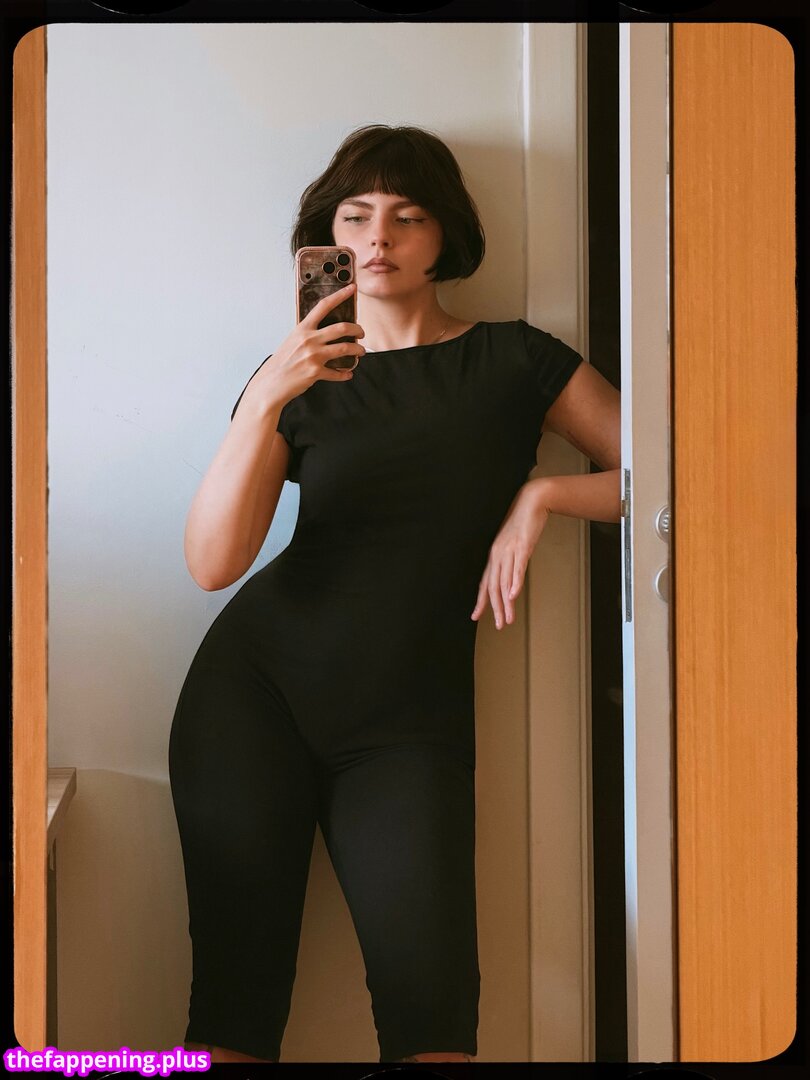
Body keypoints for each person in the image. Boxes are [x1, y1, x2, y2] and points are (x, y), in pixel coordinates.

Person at [168, 124, 621, 1065]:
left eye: (407, 216)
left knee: (434, 1021)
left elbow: (671, 474)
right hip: (252, 699)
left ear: (445, 235)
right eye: (356, 216)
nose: (379, 237)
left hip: (408, 726)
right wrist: (269, 396)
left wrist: (544, 496)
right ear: (326, 238)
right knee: (234, 1010)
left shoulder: (516, 361)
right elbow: (213, 563)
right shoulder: (299, 377)